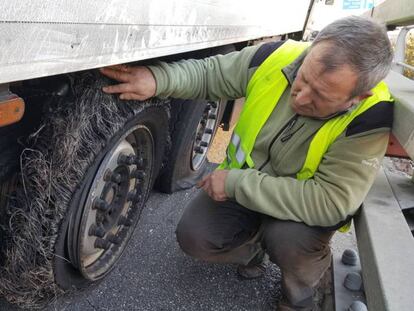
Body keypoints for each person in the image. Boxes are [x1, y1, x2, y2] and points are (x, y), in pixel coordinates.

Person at [100, 16, 393, 311]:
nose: (301, 98)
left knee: (289, 240)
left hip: (297, 214)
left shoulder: (369, 118)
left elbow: (332, 201)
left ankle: (300, 298)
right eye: (303, 78)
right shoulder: (276, 57)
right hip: (246, 192)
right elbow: (211, 74)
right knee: (194, 236)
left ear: (357, 97)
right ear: (311, 50)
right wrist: (158, 79)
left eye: (321, 96)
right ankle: (255, 249)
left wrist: (236, 183)